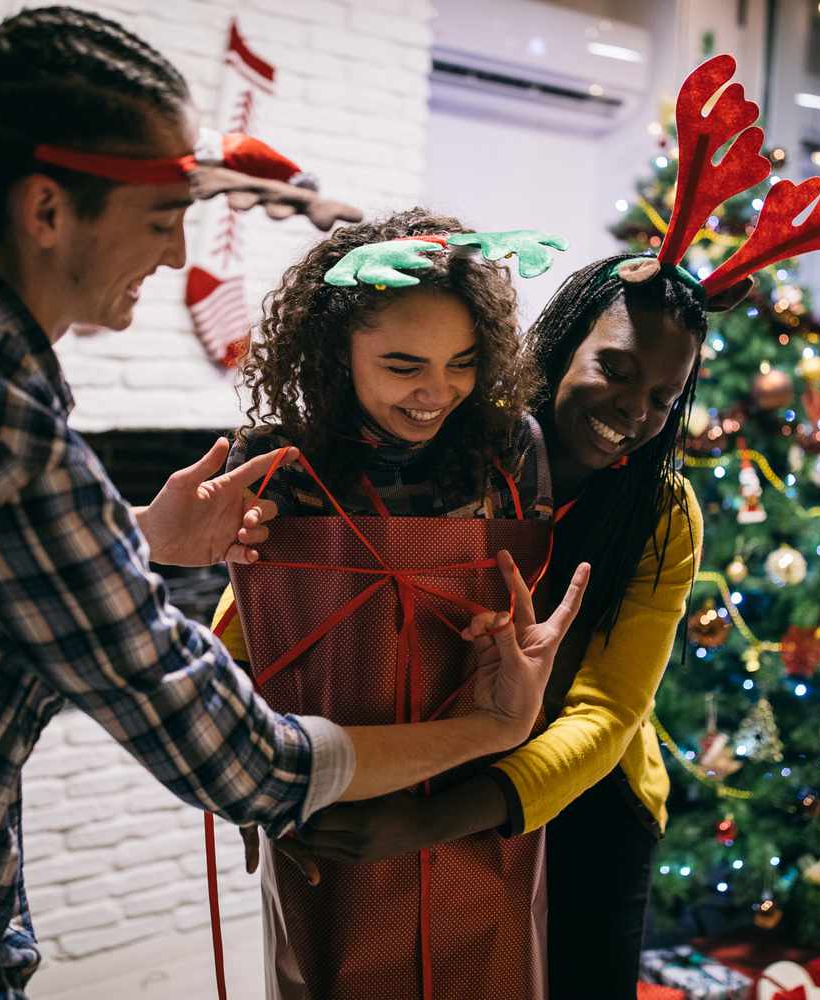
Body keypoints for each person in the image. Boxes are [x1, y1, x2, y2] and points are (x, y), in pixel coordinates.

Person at [0, 10, 583, 998]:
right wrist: (490, 728)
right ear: (47, 209)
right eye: (159, 217)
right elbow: (246, 764)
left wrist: (140, 537)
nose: (179, 255)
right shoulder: (3, 442)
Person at [288, 252, 707, 999]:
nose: (634, 414)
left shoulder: (663, 514)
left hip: (580, 798)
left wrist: (440, 821)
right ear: (561, 344)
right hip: (425, 770)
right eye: (614, 369)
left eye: (663, 399)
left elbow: (609, 712)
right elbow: (298, 596)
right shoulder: (454, 454)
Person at [210, 208, 580, 999]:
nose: (436, 392)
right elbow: (246, 627)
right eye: (404, 364)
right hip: (331, 787)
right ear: (337, 353)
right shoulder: (278, 467)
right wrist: (253, 789)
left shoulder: (510, 452)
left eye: (463, 361)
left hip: (475, 786)